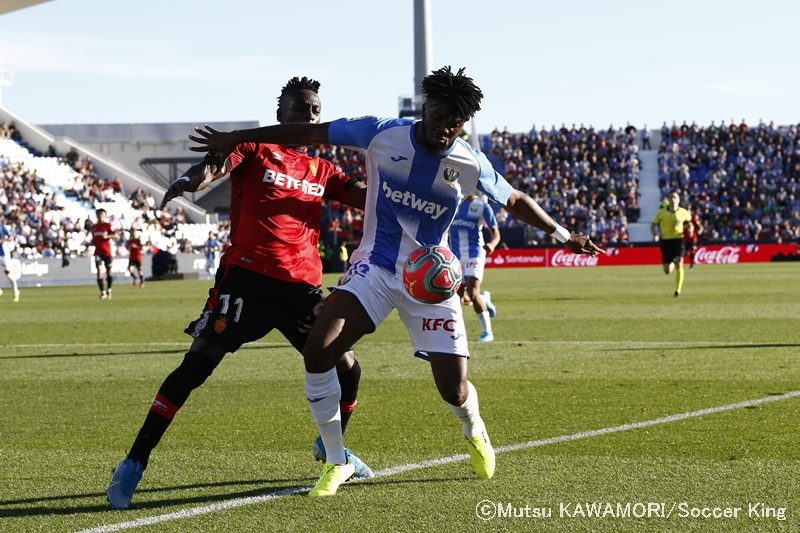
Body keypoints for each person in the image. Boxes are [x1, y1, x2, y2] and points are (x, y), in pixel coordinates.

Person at [189, 66, 604, 496]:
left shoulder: (467, 161)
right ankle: (335, 460)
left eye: (455, 123)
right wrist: (235, 139)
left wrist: (563, 235)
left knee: (454, 388)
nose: (445, 128)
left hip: (431, 278)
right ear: (426, 107)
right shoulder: (380, 133)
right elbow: (307, 135)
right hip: (377, 266)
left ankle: (474, 427)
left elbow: (514, 199)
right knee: (319, 349)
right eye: (440, 115)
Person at [106, 76, 372, 510]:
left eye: (315, 109)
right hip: (247, 280)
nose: (309, 114)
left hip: (301, 288)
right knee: (196, 367)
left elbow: (364, 197)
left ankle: (331, 450)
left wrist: (403, 187)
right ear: (280, 113)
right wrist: (193, 179)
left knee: (348, 368)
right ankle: (134, 463)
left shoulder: (322, 170)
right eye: (300, 106)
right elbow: (214, 165)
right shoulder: (255, 148)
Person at [449, 194, 500, 342]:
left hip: (475, 252)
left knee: (472, 292)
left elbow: (496, 233)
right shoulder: (451, 201)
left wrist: (492, 244)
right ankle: (456, 333)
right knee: (456, 297)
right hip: (455, 255)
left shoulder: (482, 206)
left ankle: (487, 333)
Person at [651, 191, 692, 297]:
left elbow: (690, 224)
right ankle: (673, 261)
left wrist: (690, 230)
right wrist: (655, 234)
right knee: (667, 270)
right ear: (668, 200)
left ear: (678, 200)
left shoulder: (683, 212)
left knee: (680, 261)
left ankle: (678, 290)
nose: (673, 199)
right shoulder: (661, 213)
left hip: (679, 239)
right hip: (666, 241)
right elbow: (653, 224)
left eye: (675, 197)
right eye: (671, 197)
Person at [92, 209, 115, 299]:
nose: (100, 216)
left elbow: (115, 235)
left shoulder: (107, 225)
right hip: (98, 252)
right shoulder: (94, 227)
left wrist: (107, 236)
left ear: (105, 216)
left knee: (109, 271)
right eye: (99, 215)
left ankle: (109, 289)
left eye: (102, 215)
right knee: (99, 271)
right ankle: (102, 292)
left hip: (107, 252)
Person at [0, 227, 21, 302]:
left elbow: (11, 237)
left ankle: (15, 291)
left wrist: (3, 240)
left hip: (4, 255)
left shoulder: (2, 227)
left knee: (8, 274)